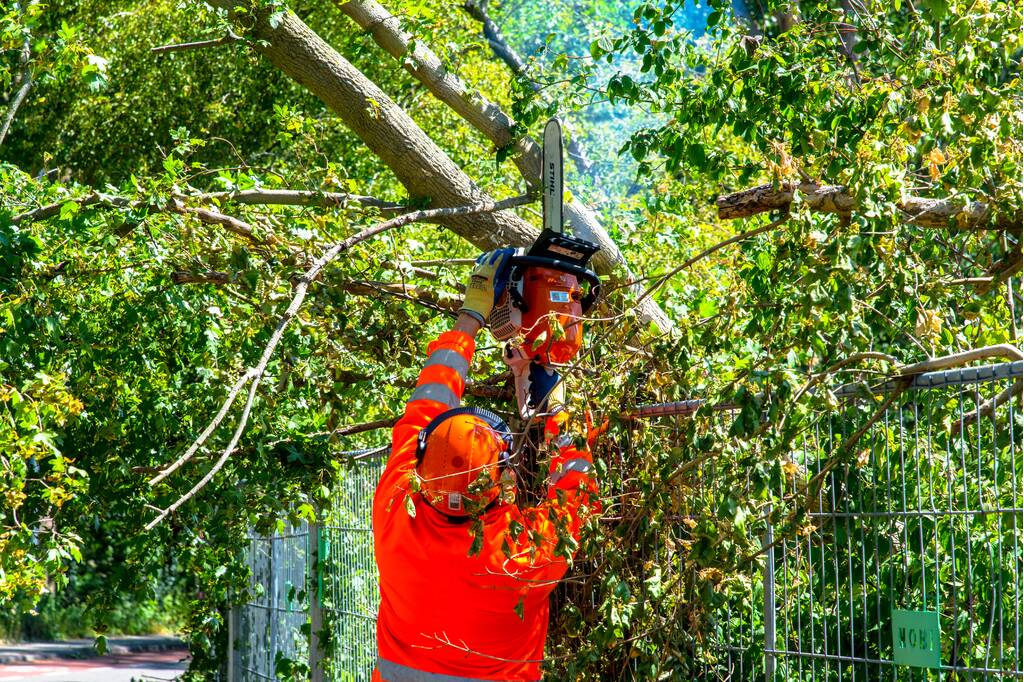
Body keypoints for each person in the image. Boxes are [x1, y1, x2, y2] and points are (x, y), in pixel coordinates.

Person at [372, 249, 603, 682]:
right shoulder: (518, 553)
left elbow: (573, 486)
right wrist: (547, 393)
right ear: (502, 475)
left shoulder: (395, 516)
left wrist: (472, 318)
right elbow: (578, 487)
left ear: (421, 461)